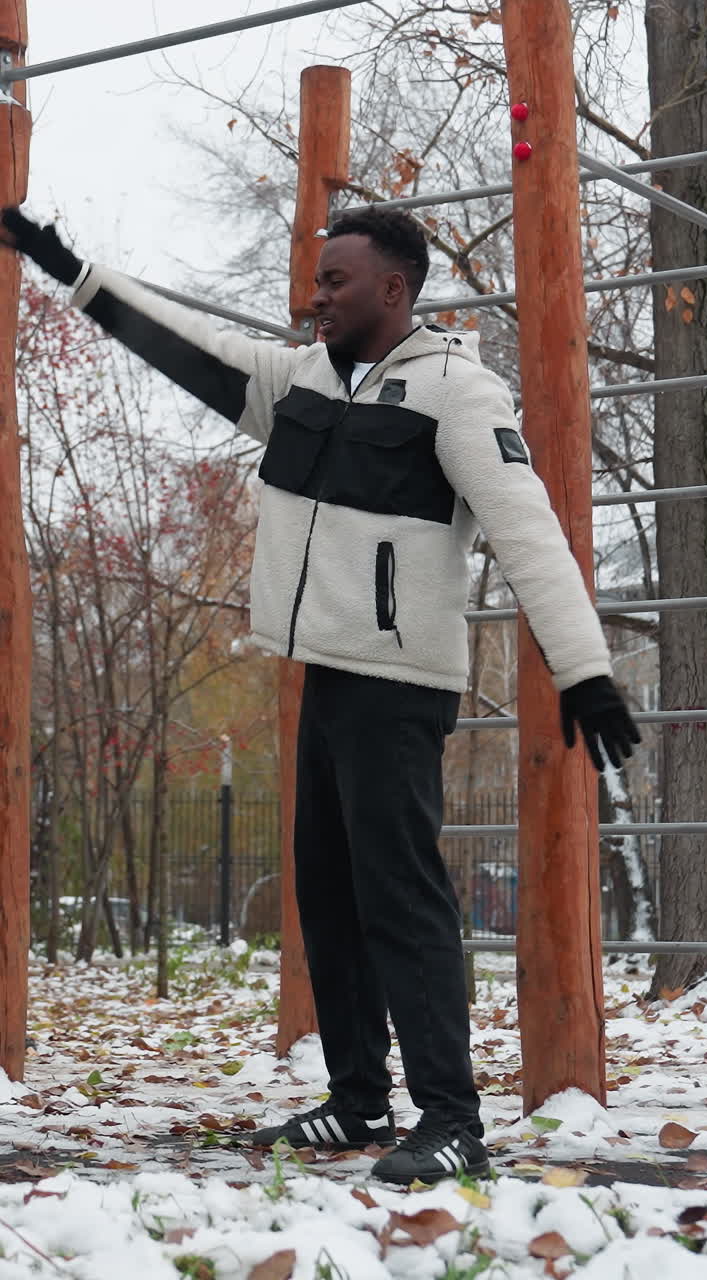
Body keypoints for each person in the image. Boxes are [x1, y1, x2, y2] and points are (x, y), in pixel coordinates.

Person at [0, 204, 639, 1186]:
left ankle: (453, 1117)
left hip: (400, 687)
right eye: (317, 280)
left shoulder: (457, 393)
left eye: (336, 281)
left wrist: (583, 670)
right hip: (325, 677)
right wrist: (68, 267)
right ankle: (357, 1098)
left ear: (394, 288)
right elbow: (182, 343)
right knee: (329, 896)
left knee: (401, 899)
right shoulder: (298, 380)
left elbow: (527, 528)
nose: (316, 297)